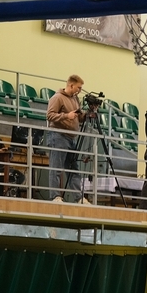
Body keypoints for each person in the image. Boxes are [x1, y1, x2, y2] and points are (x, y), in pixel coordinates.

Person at [45, 74, 86, 204]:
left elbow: (78, 117)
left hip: (71, 137)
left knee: (73, 168)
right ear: (71, 85)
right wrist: (66, 116)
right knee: (56, 167)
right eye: (78, 87)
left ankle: (79, 197)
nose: (79, 90)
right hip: (58, 135)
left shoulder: (75, 99)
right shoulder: (57, 97)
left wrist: (86, 115)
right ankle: (55, 196)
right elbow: (49, 115)